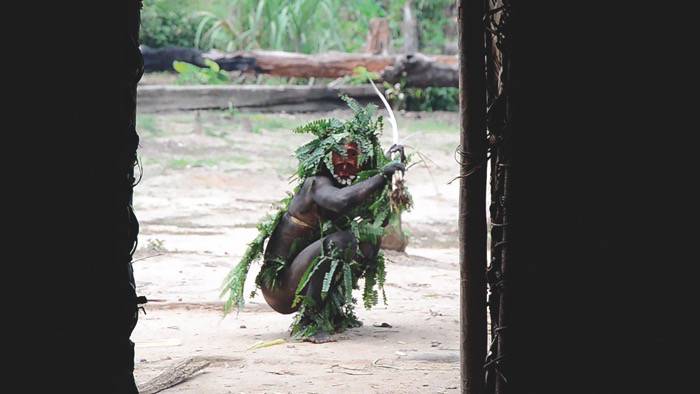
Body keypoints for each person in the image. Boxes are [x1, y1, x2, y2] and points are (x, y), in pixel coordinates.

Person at [222, 97, 411, 342]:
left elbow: (371, 210)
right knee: (341, 241)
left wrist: (391, 167)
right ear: (325, 158)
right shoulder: (316, 185)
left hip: (299, 276)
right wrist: (380, 178)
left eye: (352, 155)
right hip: (281, 287)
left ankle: (330, 312)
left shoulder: (351, 184)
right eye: (338, 155)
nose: (345, 161)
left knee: (367, 242)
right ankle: (310, 322)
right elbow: (341, 201)